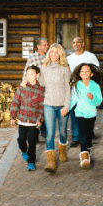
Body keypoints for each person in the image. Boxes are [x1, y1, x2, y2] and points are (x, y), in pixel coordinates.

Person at [39, 43, 71, 173]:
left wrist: (67, 106)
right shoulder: (45, 68)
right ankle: (51, 161)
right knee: (50, 133)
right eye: (51, 52)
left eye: (56, 52)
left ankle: (62, 151)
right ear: (48, 53)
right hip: (48, 104)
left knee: (63, 132)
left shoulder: (65, 69)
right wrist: (40, 71)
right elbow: (41, 84)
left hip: (62, 105)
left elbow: (69, 90)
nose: (53, 54)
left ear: (60, 54)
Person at [70, 63, 103, 169]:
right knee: (82, 134)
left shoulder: (95, 86)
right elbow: (73, 100)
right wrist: (66, 109)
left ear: (91, 74)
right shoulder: (76, 85)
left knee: (89, 134)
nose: (84, 73)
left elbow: (98, 101)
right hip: (80, 113)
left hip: (91, 114)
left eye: (87, 71)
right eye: (82, 71)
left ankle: (88, 148)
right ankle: (84, 157)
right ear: (79, 73)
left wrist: (92, 98)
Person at [10, 65, 45, 171]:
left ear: (37, 75)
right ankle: (24, 151)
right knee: (21, 139)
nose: (29, 76)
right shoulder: (22, 87)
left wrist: (40, 119)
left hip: (34, 121)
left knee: (32, 142)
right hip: (23, 120)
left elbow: (42, 106)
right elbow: (15, 102)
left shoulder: (40, 90)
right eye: (28, 74)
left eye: (32, 74)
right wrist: (13, 116)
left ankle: (31, 162)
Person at [67, 37, 100, 147]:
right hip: (75, 89)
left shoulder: (90, 56)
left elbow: (97, 70)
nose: (76, 44)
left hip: (87, 88)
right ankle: (76, 137)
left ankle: (88, 132)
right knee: (75, 113)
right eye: (74, 42)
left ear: (83, 44)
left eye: (78, 42)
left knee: (88, 109)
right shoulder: (69, 58)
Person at [22, 37, 49, 138]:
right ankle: (35, 134)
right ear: (38, 47)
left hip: (48, 89)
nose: (47, 46)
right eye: (44, 45)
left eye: (47, 44)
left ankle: (45, 130)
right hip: (35, 89)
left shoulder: (49, 57)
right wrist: (24, 86)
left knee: (46, 109)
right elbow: (26, 72)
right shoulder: (32, 58)